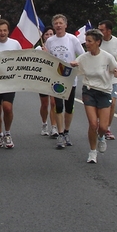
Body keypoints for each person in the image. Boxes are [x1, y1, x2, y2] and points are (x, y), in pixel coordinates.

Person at [71, 29, 117, 163]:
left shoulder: (107, 57)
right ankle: (92, 152)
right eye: (86, 41)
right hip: (89, 91)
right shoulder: (83, 57)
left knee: (103, 127)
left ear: (98, 42)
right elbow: (73, 70)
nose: (86, 44)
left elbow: (116, 71)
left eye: (89, 41)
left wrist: (116, 72)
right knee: (93, 124)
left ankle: (101, 137)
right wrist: (73, 66)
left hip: (104, 92)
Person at [44, 14, 84, 149]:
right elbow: (47, 59)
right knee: (58, 106)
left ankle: (67, 131)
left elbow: (82, 55)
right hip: (56, 78)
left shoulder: (72, 39)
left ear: (65, 25)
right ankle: (60, 133)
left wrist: (76, 62)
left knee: (69, 107)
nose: (58, 25)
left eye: (61, 23)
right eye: (56, 23)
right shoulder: (50, 41)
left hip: (70, 78)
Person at [0, 19, 22, 148]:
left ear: (8, 31)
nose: (2, 33)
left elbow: (21, 61)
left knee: (7, 107)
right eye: (0, 30)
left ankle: (7, 133)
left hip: (9, 81)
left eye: (5, 30)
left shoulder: (15, 44)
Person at [36, 27, 57, 136]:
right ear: (43, 36)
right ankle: (44, 124)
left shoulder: (55, 47)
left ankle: (54, 127)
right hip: (43, 78)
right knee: (45, 104)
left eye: (51, 34)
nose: (49, 36)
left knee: (53, 103)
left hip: (54, 78)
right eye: (47, 34)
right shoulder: (39, 49)